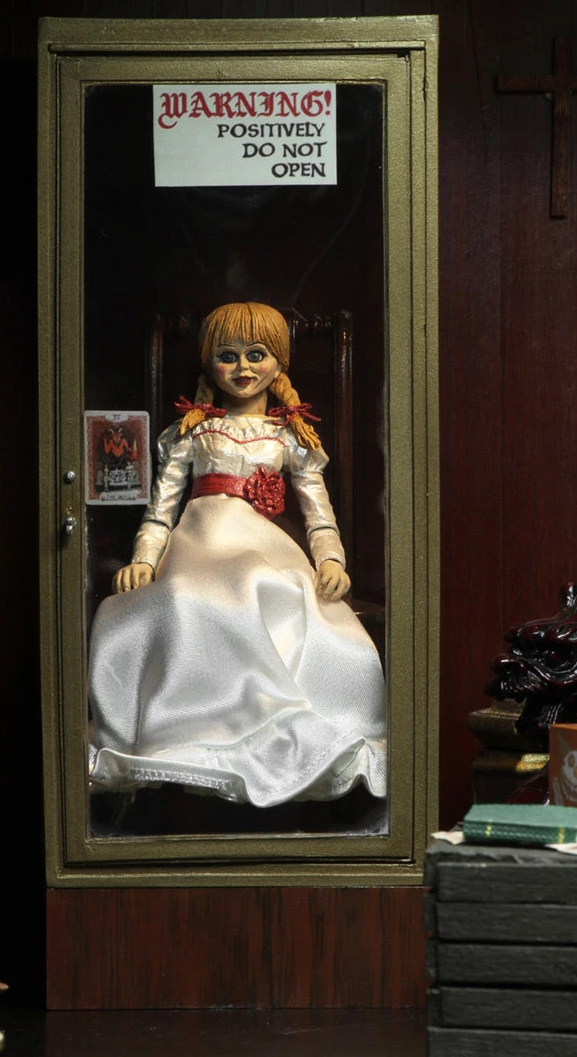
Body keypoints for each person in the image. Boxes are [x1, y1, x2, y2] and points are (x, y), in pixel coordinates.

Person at [87, 301, 386, 808]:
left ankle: (263, 723)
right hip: (198, 545)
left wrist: (331, 559)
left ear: (279, 361)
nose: (243, 368)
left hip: (260, 546)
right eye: (228, 356)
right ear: (210, 363)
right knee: (182, 597)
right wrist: (145, 558)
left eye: (256, 354)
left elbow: (317, 511)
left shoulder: (288, 435)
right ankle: (189, 726)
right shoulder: (194, 432)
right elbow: (162, 507)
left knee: (266, 585)